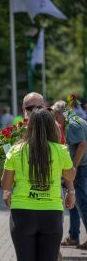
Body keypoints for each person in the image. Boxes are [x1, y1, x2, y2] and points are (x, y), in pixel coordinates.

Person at [1, 108, 75, 261]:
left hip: (22, 214)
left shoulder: (16, 150)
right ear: (52, 127)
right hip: (51, 214)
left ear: (29, 126)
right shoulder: (60, 150)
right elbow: (70, 174)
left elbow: (5, 183)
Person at [52, 100, 87, 249]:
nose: (55, 119)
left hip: (80, 168)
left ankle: (75, 236)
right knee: (74, 203)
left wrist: (73, 166)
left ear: (60, 114)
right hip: (81, 167)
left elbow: (82, 144)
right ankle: (73, 235)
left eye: (56, 116)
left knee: (82, 204)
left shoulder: (72, 124)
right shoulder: (77, 119)